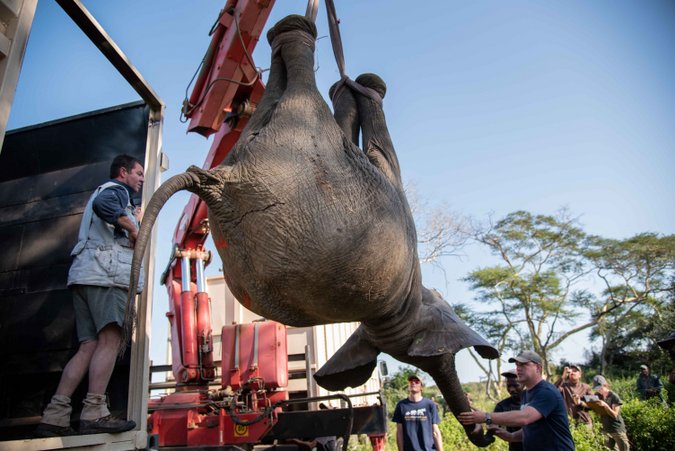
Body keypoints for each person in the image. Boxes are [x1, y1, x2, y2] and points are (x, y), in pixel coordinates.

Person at [35, 155, 145, 437]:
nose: (142, 179)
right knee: (111, 341)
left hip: (85, 275)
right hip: (104, 277)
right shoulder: (115, 190)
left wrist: (134, 217)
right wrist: (133, 228)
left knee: (88, 346)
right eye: (139, 173)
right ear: (124, 172)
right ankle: (95, 411)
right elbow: (105, 206)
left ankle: (55, 415)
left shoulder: (114, 196)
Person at [458, 350, 575, 451]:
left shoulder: (546, 391)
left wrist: (486, 417)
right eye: (517, 365)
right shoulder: (526, 394)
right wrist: (512, 436)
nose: (518, 368)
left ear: (538, 367)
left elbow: (525, 418)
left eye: (523, 365)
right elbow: (533, 428)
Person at [392, 374, 443, 451]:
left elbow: (435, 432)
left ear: (422, 387)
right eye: (411, 381)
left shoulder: (430, 405)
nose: (413, 383)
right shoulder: (401, 405)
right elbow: (399, 432)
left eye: (416, 382)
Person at [590, 375, 630, 451]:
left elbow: (615, 415)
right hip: (606, 429)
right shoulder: (597, 395)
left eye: (600, 388)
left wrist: (605, 405)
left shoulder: (613, 396)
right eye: (597, 388)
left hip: (617, 429)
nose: (598, 390)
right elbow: (595, 410)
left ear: (604, 385)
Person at [493, 369, 524, 451]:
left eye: (515, 385)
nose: (511, 389)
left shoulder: (536, 402)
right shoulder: (502, 406)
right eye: (508, 386)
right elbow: (492, 423)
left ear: (525, 384)